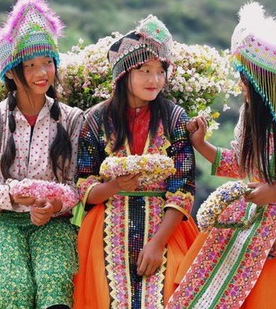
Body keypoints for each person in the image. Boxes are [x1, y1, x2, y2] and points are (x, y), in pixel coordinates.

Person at [167, 2, 276, 309]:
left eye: (246, 79)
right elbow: (240, 162)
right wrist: (202, 145)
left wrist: (274, 192)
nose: (241, 86)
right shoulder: (254, 115)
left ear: (267, 85)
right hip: (248, 222)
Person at [0, 0, 84, 309]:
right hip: (1, 224)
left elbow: (78, 186)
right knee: (12, 286)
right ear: (11, 72)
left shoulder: (72, 120)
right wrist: (13, 195)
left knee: (54, 281)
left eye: (48, 62)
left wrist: (53, 204)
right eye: (31, 65)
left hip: (53, 224)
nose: (42, 73)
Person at [73, 15, 199, 308]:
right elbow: (84, 184)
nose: (154, 80)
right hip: (107, 224)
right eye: (144, 70)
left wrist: (156, 244)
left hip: (166, 226)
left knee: (170, 294)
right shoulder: (95, 120)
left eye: (159, 71)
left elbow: (183, 187)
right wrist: (115, 185)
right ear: (123, 74)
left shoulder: (175, 119)